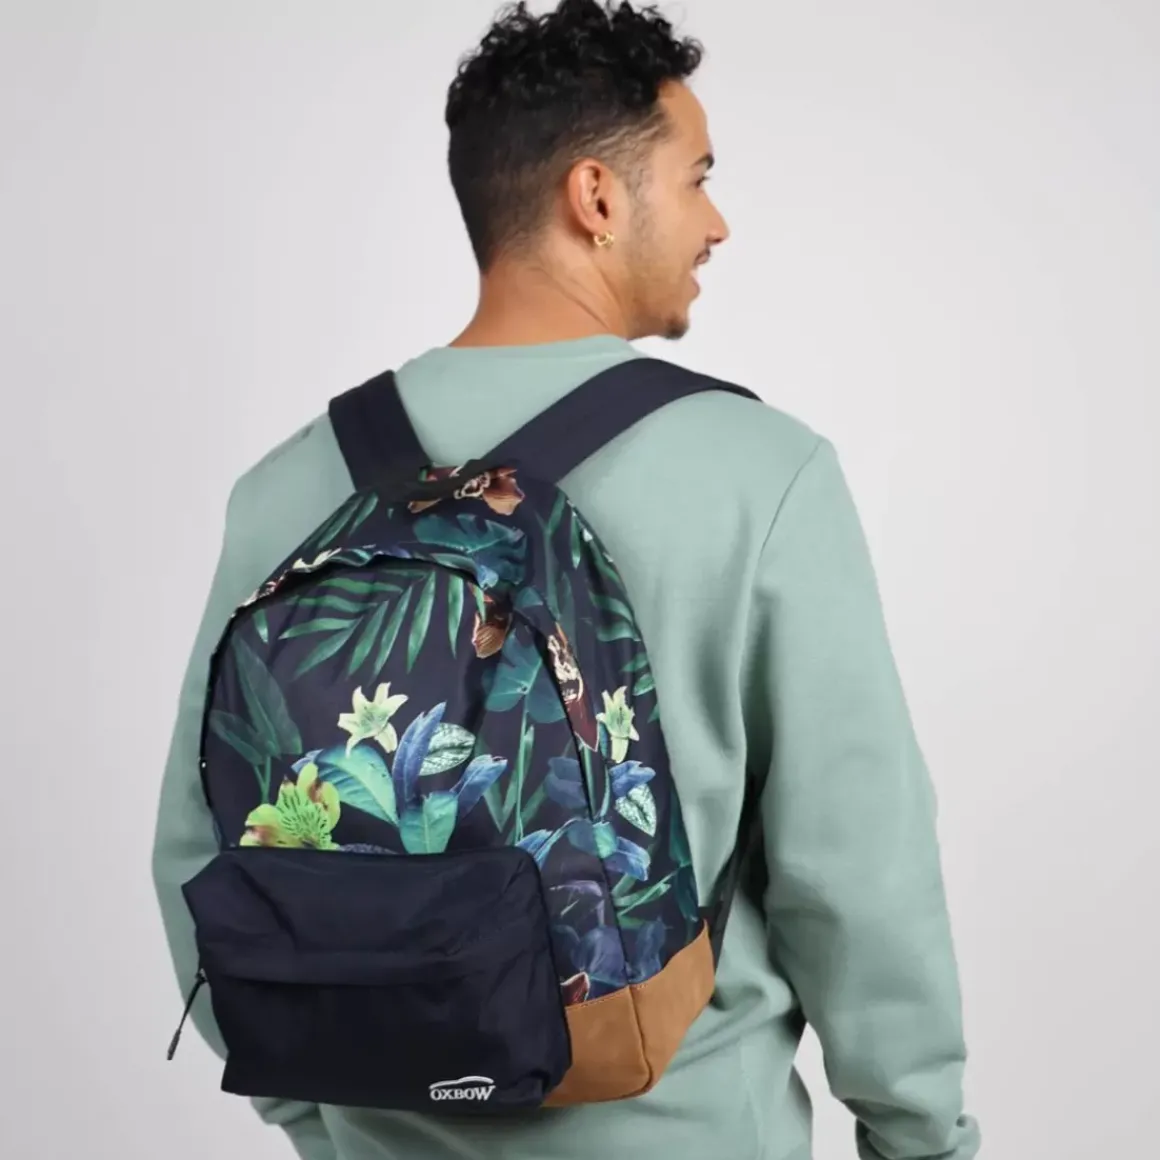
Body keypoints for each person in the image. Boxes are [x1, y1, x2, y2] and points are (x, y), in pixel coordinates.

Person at [151, 2, 981, 1158]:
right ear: (595, 197)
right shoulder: (764, 474)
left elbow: (198, 854)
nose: (717, 221)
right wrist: (920, 1137)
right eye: (696, 177)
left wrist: (328, 1122)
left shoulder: (286, 487)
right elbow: (855, 869)